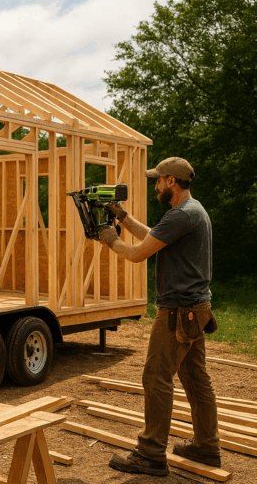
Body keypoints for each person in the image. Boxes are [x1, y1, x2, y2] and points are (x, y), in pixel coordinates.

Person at [97, 156, 219, 477]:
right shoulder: (193, 212)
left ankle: (150, 454)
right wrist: (122, 217)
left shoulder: (181, 215)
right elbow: (154, 236)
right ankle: (207, 446)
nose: (156, 185)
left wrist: (109, 238)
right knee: (196, 380)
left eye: (159, 180)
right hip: (196, 310)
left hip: (178, 312)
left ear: (172, 183)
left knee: (155, 377)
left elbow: (138, 253)